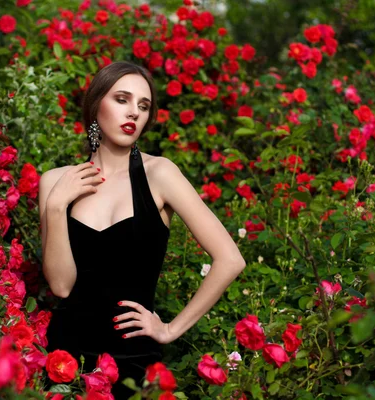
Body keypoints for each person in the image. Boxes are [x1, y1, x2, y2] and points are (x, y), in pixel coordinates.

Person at [39, 61, 246, 398]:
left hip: (133, 363)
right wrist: (56, 206)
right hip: (64, 360)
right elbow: (61, 286)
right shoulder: (55, 183)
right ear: (95, 105)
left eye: (143, 105)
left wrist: (169, 329)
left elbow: (230, 259)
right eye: (122, 99)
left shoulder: (160, 174)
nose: (133, 112)